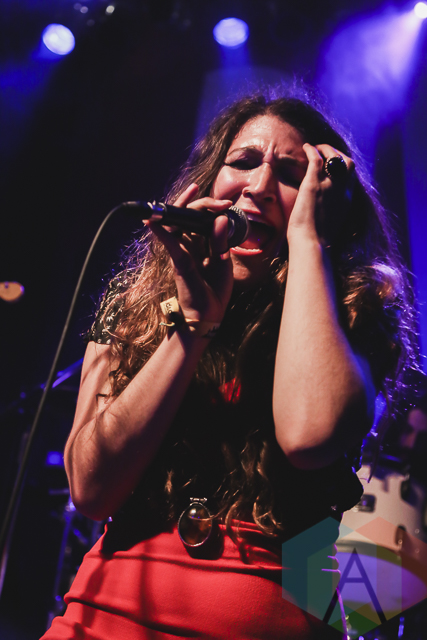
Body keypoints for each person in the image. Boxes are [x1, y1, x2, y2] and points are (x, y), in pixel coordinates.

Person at [41, 87, 417, 640]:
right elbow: (92, 490)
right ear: (209, 181)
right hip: (103, 618)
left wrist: (309, 239)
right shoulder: (135, 304)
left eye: (290, 175)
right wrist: (192, 325)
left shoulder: (355, 307)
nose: (259, 186)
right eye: (243, 162)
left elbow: (310, 436)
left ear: (323, 198)